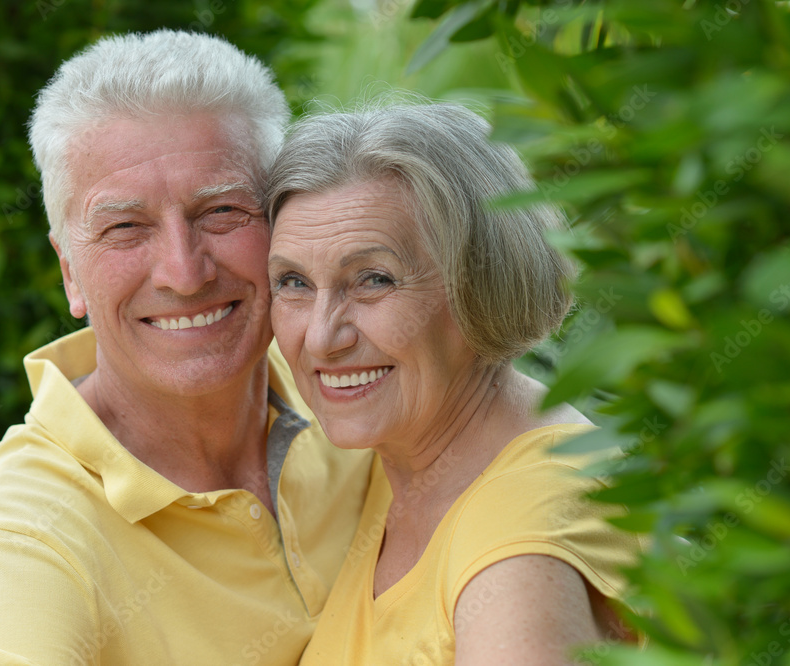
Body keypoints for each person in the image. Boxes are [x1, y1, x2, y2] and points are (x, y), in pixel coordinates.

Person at [0, 30, 372, 665]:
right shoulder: (28, 532)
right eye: (125, 227)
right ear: (70, 274)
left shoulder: (359, 380)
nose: (184, 272)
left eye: (221, 211)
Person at [265, 101, 642, 665]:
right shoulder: (406, 454)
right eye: (293, 282)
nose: (320, 338)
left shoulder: (517, 560)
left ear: (480, 284)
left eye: (373, 279)